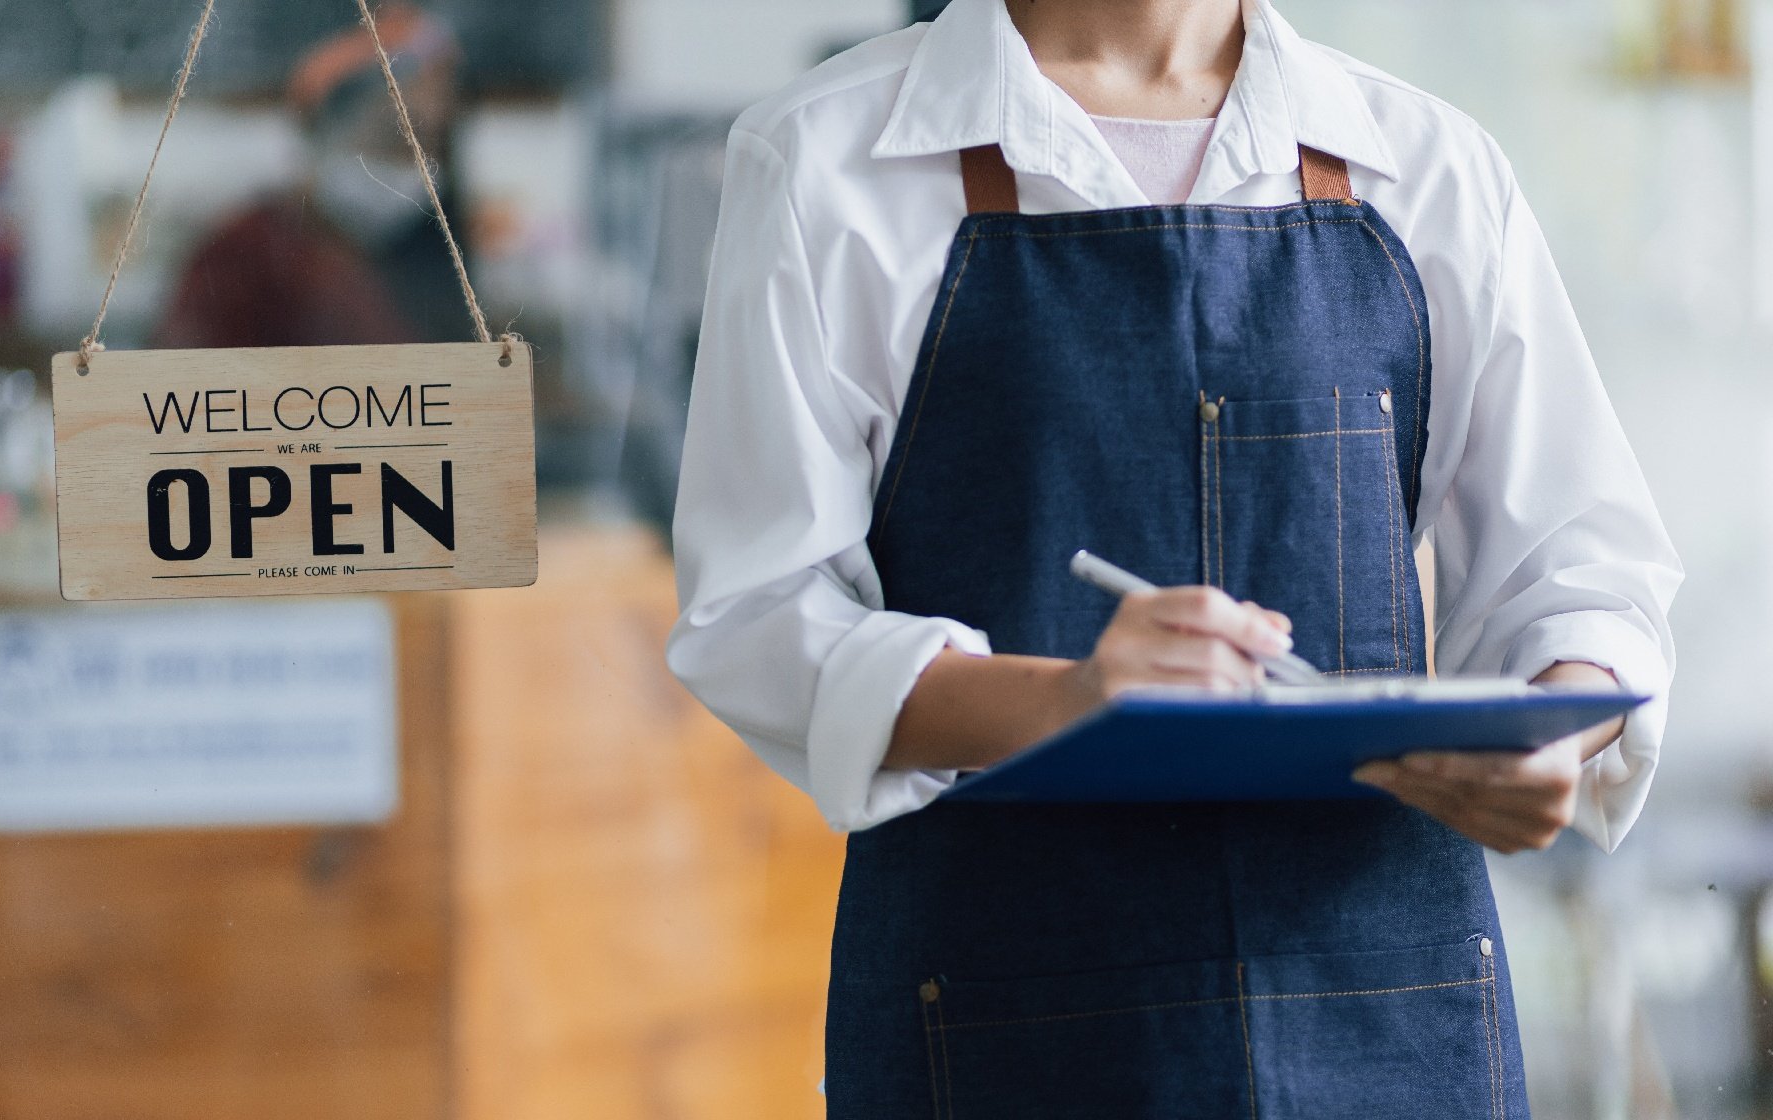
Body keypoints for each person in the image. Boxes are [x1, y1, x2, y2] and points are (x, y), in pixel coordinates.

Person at [666, 0, 1681, 1115]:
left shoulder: (1428, 165)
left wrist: (1554, 727)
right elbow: (759, 610)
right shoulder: (826, 160)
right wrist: (1070, 701)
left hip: (1387, 1005)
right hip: (1002, 1012)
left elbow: (1583, 569)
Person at [156, 5, 470, 348]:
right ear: (325, 132)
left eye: (432, 146)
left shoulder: (423, 255)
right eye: (395, 138)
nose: (415, 165)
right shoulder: (246, 253)